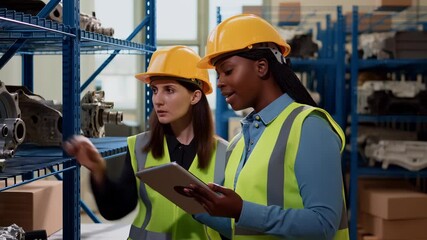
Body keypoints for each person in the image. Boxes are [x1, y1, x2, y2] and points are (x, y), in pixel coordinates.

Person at [184, 14, 350, 240]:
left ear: (261, 67)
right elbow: (241, 229)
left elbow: (323, 225)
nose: (220, 82)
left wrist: (241, 210)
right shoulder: (238, 142)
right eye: (218, 74)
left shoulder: (309, 127)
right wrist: (200, 208)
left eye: (228, 70)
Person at [63, 45, 229, 240]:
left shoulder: (225, 154)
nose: (157, 100)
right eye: (154, 90)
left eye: (169, 90)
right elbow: (117, 209)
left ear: (195, 96)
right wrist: (99, 171)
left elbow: (232, 225)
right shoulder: (140, 147)